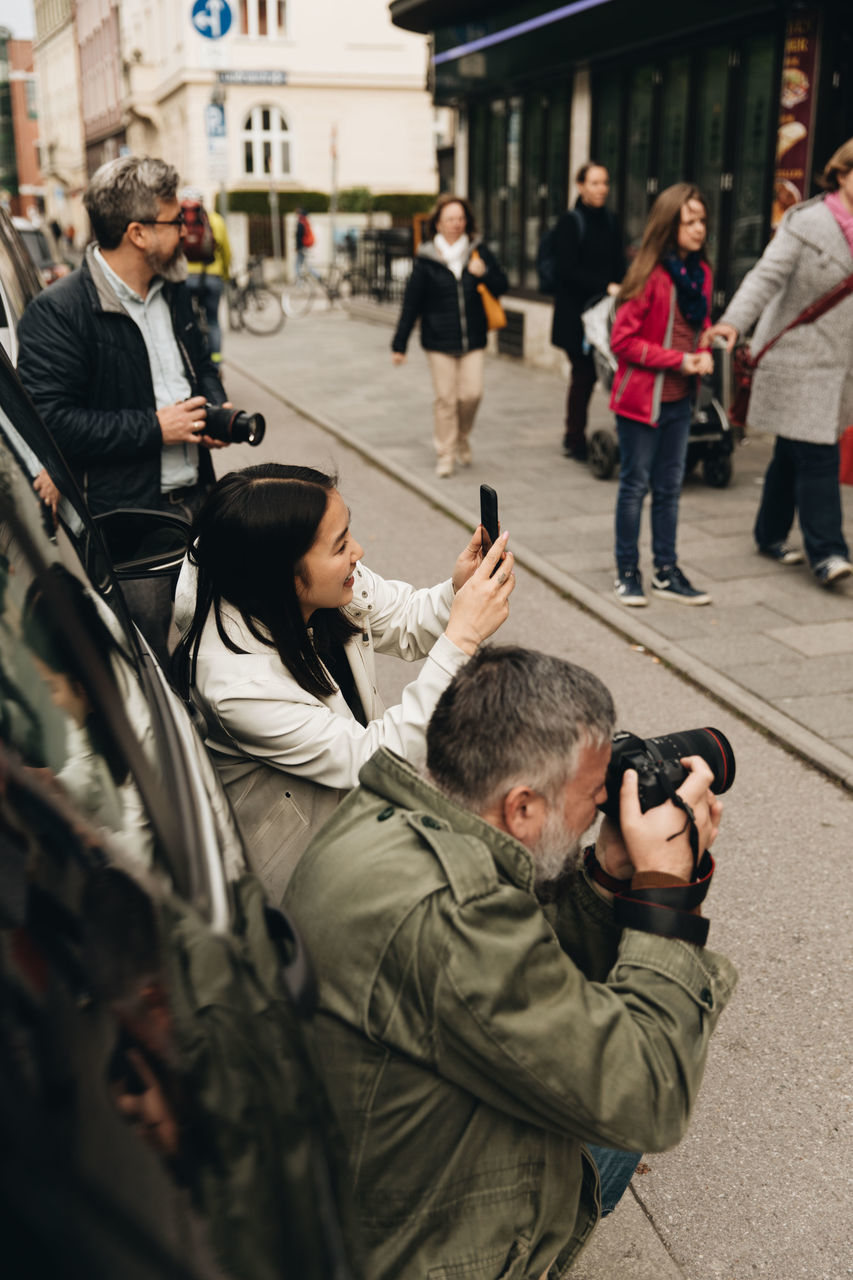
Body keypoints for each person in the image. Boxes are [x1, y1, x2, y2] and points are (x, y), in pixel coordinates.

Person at [283, 644, 737, 1280]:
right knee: (646, 1080)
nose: (600, 810)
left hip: (361, 1174)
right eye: (591, 796)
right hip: (417, 1250)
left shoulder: (386, 815)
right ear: (521, 808)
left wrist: (605, 878)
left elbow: (514, 967)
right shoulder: (452, 912)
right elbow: (650, 1091)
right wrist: (667, 890)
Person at [172, 463, 514, 900]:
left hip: (360, 829)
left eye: (349, 532)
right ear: (283, 574)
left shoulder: (322, 587)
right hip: (301, 869)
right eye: (339, 546)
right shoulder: (237, 686)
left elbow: (406, 617)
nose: (359, 551)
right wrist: (461, 636)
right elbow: (371, 762)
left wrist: (457, 591)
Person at [16, 155, 229, 662]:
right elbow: (50, 425)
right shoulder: (58, 312)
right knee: (145, 661)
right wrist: (157, 428)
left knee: (215, 653)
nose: (184, 231)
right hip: (129, 525)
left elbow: (203, 366)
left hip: (201, 506)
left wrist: (215, 409)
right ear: (138, 232)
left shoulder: (174, 293)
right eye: (175, 221)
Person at [705, 137, 853, 588]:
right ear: (843, 174)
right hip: (797, 358)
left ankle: (768, 534)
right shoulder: (807, 224)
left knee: (792, 452)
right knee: (819, 454)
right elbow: (764, 277)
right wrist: (732, 322)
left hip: (840, 363)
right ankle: (828, 552)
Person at [609, 183, 715, 607]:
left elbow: (700, 325)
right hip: (640, 402)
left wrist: (703, 352)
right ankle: (627, 572)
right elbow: (622, 341)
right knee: (635, 486)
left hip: (679, 401)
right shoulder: (649, 274)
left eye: (702, 220)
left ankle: (667, 572)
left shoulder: (701, 274)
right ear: (670, 226)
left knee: (670, 488)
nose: (699, 229)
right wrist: (679, 360)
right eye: (689, 221)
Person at [392, 194, 508, 478]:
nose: (456, 224)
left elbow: (502, 285)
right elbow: (411, 304)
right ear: (439, 224)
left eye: (460, 219)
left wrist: (484, 274)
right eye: (450, 219)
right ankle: (446, 453)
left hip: (473, 340)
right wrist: (400, 344)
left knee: (472, 394)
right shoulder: (427, 259)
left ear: (466, 221)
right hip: (438, 342)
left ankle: (461, 436)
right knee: (446, 398)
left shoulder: (478, 252)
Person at [551, 162, 626, 461]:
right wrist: (605, 285)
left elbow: (619, 263)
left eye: (605, 183)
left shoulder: (610, 220)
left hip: (607, 314)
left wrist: (623, 286)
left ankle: (623, 433)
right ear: (580, 186)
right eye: (594, 183)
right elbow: (565, 271)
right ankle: (574, 438)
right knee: (583, 376)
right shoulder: (571, 223)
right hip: (576, 317)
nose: (601, 189)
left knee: (614, 373)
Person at [182, 188, 232, 364]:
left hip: (185, 277)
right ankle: (216, 362)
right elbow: (226, 250)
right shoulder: (216, 220)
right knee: (213, 321)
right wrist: (225, 274)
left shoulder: (179, 222)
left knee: (185, 321)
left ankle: (190, 360)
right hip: (212, 276)